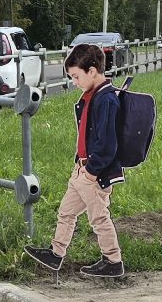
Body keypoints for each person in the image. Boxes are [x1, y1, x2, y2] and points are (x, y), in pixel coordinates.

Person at [24, 43, 125, 279]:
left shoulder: (106, 100)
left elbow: (107, 143)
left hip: (94, 172)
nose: (74, 82)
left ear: (92, 71)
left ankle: (113, 260)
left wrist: (91, 171)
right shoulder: (91, 96)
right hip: (82, 168)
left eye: (77, 76)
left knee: (99, 217)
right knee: (66, 212)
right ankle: (56, 254)